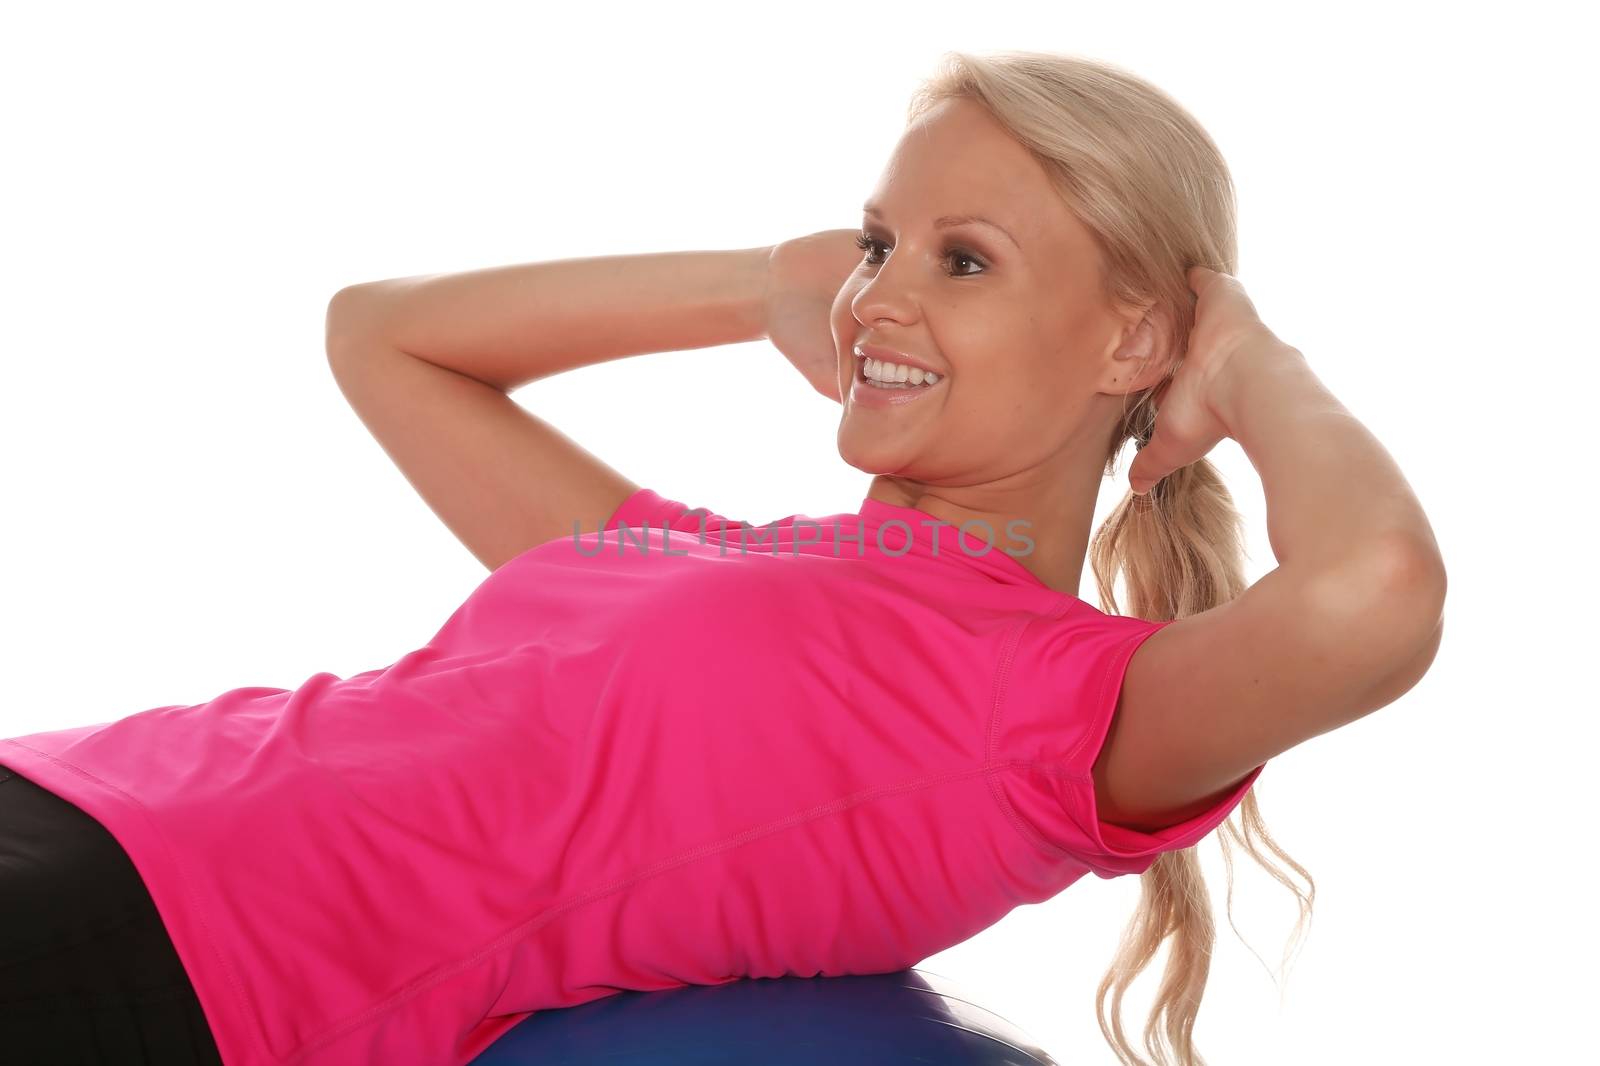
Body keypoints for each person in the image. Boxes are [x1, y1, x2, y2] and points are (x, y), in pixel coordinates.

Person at [0, 50, 1446, 1066]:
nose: (880, 293)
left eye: (965, 260)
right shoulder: (708, 556)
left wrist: (1250, 358)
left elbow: (1370, 595)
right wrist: (764, 285)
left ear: (1132, 338)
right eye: (882, 241)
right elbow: (380, 334)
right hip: (75, 791)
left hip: (165, 955)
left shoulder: (1048, 703)